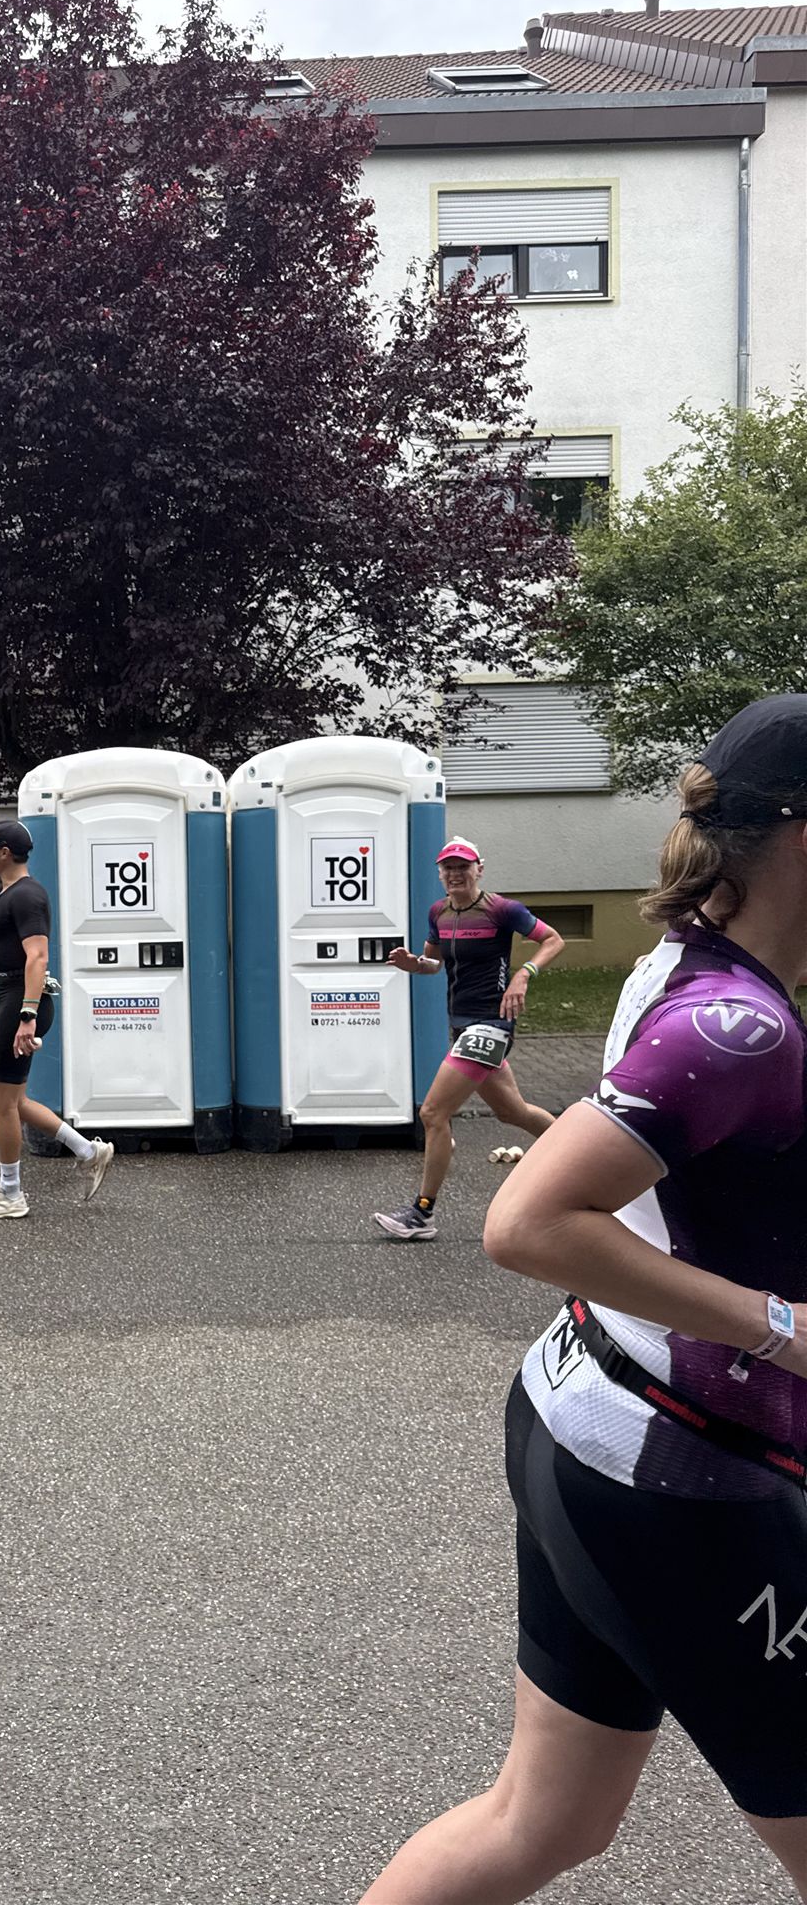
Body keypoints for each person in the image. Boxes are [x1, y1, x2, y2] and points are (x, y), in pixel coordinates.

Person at [361, 695, 807, 1904]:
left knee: (542, 1821)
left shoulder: (688, 959)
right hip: (688, 1476)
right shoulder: (737, 1025)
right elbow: (530, 1223)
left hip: (588, 1419)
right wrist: (782, 1331)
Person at [372, 838, 563, 1241]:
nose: (455, 874)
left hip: (492, 1024)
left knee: (433, 1113)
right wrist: (413, 964)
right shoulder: (438, 912)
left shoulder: (502, 910)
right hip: (461, 1025)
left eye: (463, 866)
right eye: (448, 868)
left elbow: (553, 940)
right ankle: (581, 1154)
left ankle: (420, 1214)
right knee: (513, 1112)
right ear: (440, 873)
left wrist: (523, 974)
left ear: (479, 869)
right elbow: (434, 963)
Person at [0, 818, 114, 1219]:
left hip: (22, 1002)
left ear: (4, 852)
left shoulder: (28, 896)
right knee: (16, 1100)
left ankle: (11, 1194)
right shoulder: (7, 892)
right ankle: (89, 1151)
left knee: (0, 1102)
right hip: (13, 996)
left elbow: (38, 957)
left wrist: (27, 1016)